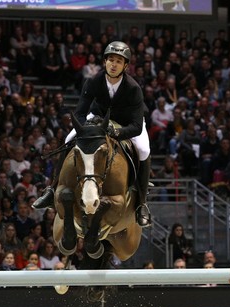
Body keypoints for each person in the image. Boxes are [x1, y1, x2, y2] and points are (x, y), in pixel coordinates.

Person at [32, 41, 152, 226]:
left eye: (118, 61)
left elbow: (136, 126)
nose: (113, 64)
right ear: (104, 62)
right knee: (69, 138)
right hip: (97, 117)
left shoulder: (133, 88)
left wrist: (117, 132)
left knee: (143, 149)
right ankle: (51, 190)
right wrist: (86, 129)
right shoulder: (94, 81)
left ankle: (141, 204)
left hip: (126, 123)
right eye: (110, 60)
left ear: (125, 66)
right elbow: (80, 112)